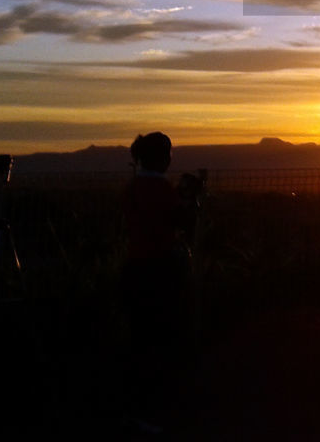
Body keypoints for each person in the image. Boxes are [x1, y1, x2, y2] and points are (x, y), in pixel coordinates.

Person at [121, 131, 199, 434]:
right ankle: (152, 414)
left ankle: (133, 408)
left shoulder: (130, 188)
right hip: (159, 272)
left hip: (134, 268)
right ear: (161, 157)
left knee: (138, 341)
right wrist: (190, 202)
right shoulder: (160, 190)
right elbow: (181, 222)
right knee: (161, 342)